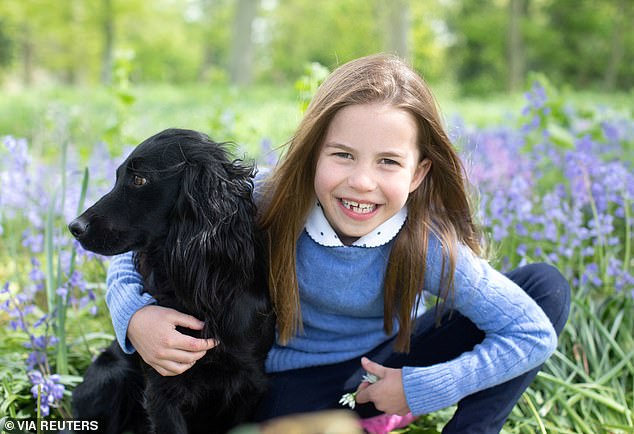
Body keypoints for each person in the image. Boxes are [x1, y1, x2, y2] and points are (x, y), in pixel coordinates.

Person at [105, 53, 570, 434]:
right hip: (289, 383)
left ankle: (431, 420)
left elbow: (532, 333)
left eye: (389, 162)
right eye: (343, 155)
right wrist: (135, 316)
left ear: (418, 174)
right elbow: (139, 235)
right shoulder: (271, 199)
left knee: (545, 287)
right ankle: (363, 419)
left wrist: (423, 386)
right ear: (312, 154)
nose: (362, 182)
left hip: (386, 363)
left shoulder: (424, 242)